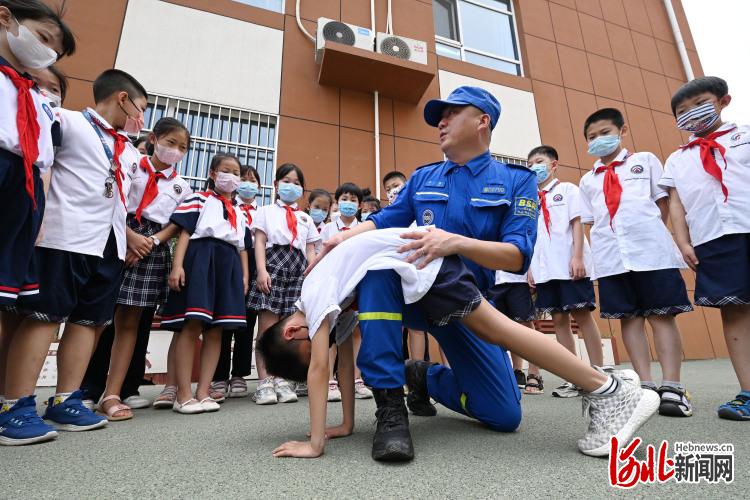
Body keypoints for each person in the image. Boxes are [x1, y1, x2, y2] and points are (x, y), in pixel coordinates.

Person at [306, 86, 561, 461]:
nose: (440, 122)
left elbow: (516, 257)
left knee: (504, 414)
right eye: (439, 116)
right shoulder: (424, 178)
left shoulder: (515, 181)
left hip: (469, 307)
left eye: (452, 114)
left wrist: (455, 243)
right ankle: (390, 409)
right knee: (379, 271)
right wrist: (340, 238)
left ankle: (422, 375)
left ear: (482, 121)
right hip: (415, 298)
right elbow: (383, 221)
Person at [259, 228, 659, 459]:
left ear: (294, 334)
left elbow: (320, 370)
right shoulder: (335, 305)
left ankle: (605, 387)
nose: (323, 350)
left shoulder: (313, 296)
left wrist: (313, 445)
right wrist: (344, 425)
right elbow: (342, 363)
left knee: (505, 404)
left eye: (315, 348)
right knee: (379, 279)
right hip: (412, 294)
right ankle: (420, 380)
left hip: (436, 277)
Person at [3, 68, 144, 445]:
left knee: (90, 321)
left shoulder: (129, 151)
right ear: (121, 99)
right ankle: (14, 404)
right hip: (64, 236)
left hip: (109, 245)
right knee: (43, 317)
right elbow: (37, 164)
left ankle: (66, 398)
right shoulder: (65, 122)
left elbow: (122, 202)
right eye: (139, 108)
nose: (140, 118)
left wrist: (126, 237)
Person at [578, 108, 693, 418]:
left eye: (604, 133)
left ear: (622, 130)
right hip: (612, 258)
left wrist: (651, 235)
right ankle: (645, 386)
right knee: (629, 320)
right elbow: (591, 222)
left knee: (661, 317)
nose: (599, 140)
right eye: (592, 137)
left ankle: (673, 387)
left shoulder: (645, 160)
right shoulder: (587, 180)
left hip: (650, 252)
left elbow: (662, 203)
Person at [0, 0, 76, 446]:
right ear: (7, 17)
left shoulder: (32, 96)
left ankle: (11, 403)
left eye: (55, 51)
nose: (47, 53)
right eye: (44, 38)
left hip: (25, 187)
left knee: (8, 298)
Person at [660, 76, 750, 421]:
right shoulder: (677, 160)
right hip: (713, 238)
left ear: (723, 100)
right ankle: (747, 391)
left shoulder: (744, 136)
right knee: (734, 310)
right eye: (682, 111)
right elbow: (677, 203)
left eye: (700, 104)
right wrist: (682, 241)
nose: (692, 114)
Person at [97, 117, 192, 420]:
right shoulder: (131, 164)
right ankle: (79, 389)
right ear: (153, 138)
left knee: (130, 322)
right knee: (93, 318)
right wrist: (127, 236)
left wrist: (148, 243)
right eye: (170, 143)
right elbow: (111, 198)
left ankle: (113, 393)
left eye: (182, 147)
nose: (175, 150)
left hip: (152, 246)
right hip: (115, 233)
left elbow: (177, 224)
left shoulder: (181, 186)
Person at [160, 153, 249, 414]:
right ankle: (183, 393)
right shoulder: (198, 198)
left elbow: (242, 246)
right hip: (200, 259)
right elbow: (185, 232)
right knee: (192, 324)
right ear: (212, 173)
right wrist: (178, 266)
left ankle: (203, 390)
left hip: (228, 264)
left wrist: (244, 276)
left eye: (236, 173)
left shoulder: (239, 212)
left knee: (217, 330)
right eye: (225, 170)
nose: (231, 176)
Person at [526, 145, 606, 398]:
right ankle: (574, 376)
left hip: (570, 265)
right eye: (529, 164)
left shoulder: (568, 190)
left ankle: (599, 372)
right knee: (559, 321)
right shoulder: (530, 201)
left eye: (538, 161)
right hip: (545, 271)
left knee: (582, 316)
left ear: (553, 164)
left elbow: (577, 225)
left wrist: (578, 257)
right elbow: (530, 238)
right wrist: (530, 270)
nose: (533, 167)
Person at [247, 163, 319, 405]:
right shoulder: (266, 211)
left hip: (297, 268)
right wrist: (261, 270)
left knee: (289, 327)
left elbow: (310, 248)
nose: (292, 186)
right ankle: (264, 381)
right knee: (267, 326)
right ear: (276, 185)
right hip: (273, 264)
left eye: (297, 183)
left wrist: (311, 273)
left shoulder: (305, 218)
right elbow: (259, 241)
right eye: (286, 181)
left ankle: (282, 379)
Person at [209, 164, 261, 401]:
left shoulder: (263, 212)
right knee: (223, 321)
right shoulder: (227, 206)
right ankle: (219, 375)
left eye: (253, 180)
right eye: (245, 179)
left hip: (254, 267)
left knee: (246, 323)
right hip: (231, 263)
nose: (249, 183)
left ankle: (239, 373)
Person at [319, 182, 372, 401]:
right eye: (344, 199)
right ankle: (331, 381)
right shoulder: (328, 228)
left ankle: (356, 379)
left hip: (358, 283)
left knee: (356, 332)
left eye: (353, 200)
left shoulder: (365, 227)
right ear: (337, 202)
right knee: (331, 331)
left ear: (360, 205)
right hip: (335, 284)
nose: (348, 203)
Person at [487, 270, 543, 395]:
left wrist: (531, 269)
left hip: (518, 277)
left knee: (525, 323)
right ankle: (517, 371)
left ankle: (534, 373)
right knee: (500, 325)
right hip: (492, 277)